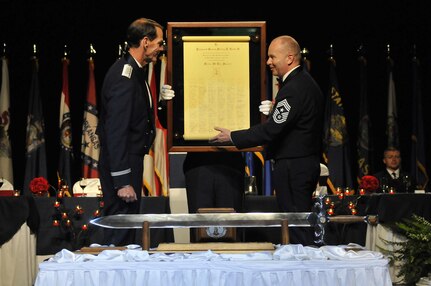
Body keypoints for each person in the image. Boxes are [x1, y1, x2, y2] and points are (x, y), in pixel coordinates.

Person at [209, 35, 324, 245]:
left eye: (272, 57)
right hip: (301, 164)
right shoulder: (304, 83)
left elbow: (271, 130)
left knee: (296, 224)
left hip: (293, 167)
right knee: (297, 223)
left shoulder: (293, 89)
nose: (268, 62)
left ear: (289, 58)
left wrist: (233, 136)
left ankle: (302, 269)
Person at [97, 18, 175, 246]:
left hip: (130, 162)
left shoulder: (134, 71)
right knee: (120, 236)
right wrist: (122, 181)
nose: (162, 48)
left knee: (128, 233)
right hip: (123, 165)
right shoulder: (125, 77)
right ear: (145, 42)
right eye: (159, 43)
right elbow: (116, 132)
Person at [183, 152, 245, 242]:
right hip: (197, 162)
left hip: (231, 164)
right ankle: (199, 256)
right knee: (200, 233)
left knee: (231, 232)